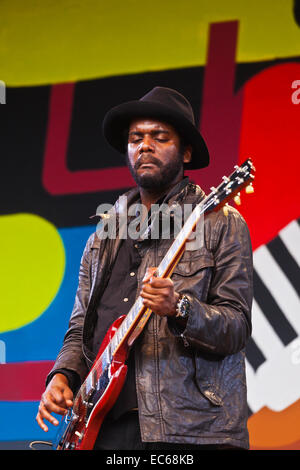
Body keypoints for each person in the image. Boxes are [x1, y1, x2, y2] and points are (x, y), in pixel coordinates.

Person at [36, 86, 253, 450]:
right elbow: (80, 330)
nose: (145, 145)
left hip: (187, 431)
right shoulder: (102, 237)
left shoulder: (220, 222)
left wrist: (179, 308)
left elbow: (235, 328)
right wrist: (62, 376)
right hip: (102, 428)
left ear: (185, 152)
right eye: (136, 138)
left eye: (159, 137)